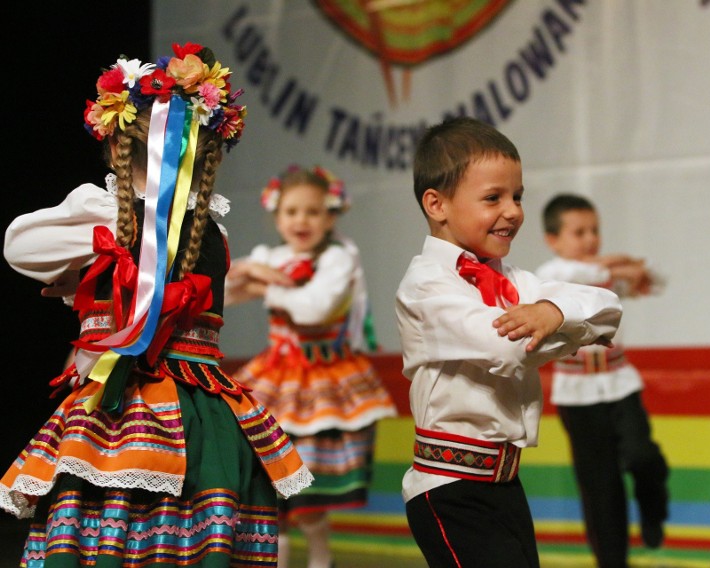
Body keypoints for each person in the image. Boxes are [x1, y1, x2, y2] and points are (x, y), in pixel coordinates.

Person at [0, 43, 313, 565]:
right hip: (119, 404)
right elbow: (20, 246)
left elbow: (186, 305)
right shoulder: (103, 213)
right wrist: (99, 254)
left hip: (192, 408)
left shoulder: (207, 231)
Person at [396, 116, 623, 568]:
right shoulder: (427, 284)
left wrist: (553, 313)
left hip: (502, 484)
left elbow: (607, 308)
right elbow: (508, 347)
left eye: (517, 196)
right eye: (493, 198)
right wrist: (565, 330)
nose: (514, 210)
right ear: (436, 204)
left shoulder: (512, 280)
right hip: (449, 489)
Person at [226, 165, 398, 568]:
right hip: (277, 377)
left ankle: (321, 558)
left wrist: (264, 288)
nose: (301, 221)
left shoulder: (339, 258)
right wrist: (249, 270)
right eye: (291, 211)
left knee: (307, 489)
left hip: (324, 379)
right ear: (276, 216)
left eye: (312, 211)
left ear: (331, 215)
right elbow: (222, 287)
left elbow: (315, 308)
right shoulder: (272, 257)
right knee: (268, 481)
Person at [534, 193, 669, 567]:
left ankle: (653, 505)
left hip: (620, 383)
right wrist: (612, 266)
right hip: (577, 395)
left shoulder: (605, 274)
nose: (591, 239)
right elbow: (567, 274)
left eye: (595, 230)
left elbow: (657, 279)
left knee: (643, 456)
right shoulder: (549, 277)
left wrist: (621, 265)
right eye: (579, 232)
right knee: (601, 488)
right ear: (553, 240)